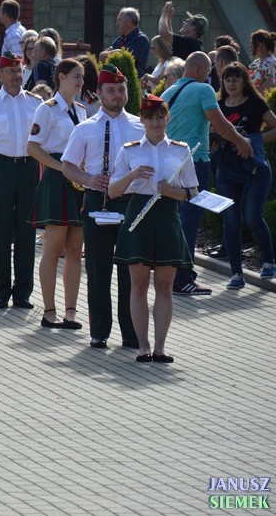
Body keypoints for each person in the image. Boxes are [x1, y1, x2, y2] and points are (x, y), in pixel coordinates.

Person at [108, 94, 198, 363]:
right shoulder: (130, 150)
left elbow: (192, 192)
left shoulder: (181, 150)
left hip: (167, 216)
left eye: (160, 117)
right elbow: (112, 191)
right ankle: (143, 347)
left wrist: (174, 192)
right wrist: (133, 175)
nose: (156, 123)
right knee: (138, 286)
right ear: (142, 120)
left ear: (167, 118)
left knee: (164, 287)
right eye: (150, 118)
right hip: (139, 216)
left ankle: (160, 347)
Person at [61, 63, 143, 349]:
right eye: (111, 91)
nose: (117, 96)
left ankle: (131, 332)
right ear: (98, 92)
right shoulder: (85, 128)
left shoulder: (140, 125)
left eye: (121, 90)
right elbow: (68, 166)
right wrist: (88, 179)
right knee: (98, 269)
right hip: (98, 200)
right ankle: (99, 331)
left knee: (130, 269)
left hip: (131, 202)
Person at [160, 51, 251, 296]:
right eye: (209, 70)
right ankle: (183, 278)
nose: (210, 75)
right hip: (193, 161)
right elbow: (220, 124)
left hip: (168, 163)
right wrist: (241, 141)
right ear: (201, 69)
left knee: (173, 220)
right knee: (190, 219)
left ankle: (169, 274)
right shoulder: (203, 90)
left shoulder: (168, 92)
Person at [0, 52, 42, 308]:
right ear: (0, 75)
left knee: (27, 230)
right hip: (2, 167)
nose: (16, 75)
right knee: (1, 231)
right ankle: (1, 291)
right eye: (11, 71)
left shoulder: (36, 102)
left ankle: (23, 291)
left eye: (19, 71)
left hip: (29, 168)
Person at [27, 59, 87, 330]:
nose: (81, 82)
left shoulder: (82, 110)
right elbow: (33, 147)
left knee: (75, 249)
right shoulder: (47, 109)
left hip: (79, 180)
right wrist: (62, 168)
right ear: (61, 77)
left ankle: (71, 311)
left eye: (82, 77)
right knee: (53, 248)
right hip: (57, 177)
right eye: (76, 76)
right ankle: (49, 310)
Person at [214, 62, 276, 288]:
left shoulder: (255, 103)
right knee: (231, 220)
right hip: (227, 168)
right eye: (227, 80)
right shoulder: (218, 106)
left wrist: (253, 140)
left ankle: (268, 262)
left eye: (236, 79)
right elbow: (210, 130)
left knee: (252, 216)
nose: (231, 84)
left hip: (255, 168)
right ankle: (236, 274)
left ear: (244, 81)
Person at [106, 7, 151, 74]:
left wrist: (112, 53)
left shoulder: (141, 40)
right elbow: (104, 55)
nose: (117, 24)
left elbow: (126, 58)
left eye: (120, 20)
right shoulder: (119, 40)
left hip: (132, 79)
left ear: (129, 22)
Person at [247, 29, 276, 93]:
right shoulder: (255, 63)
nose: (250, 46)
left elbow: (270, 84)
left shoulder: (272, 63)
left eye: (252, 43)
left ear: (261, 44)